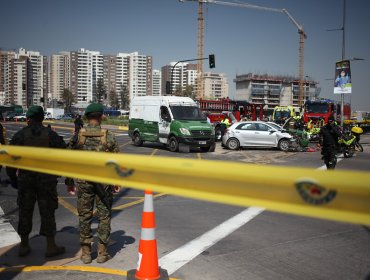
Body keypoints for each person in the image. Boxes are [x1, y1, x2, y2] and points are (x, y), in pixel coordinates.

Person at [6, 105, 66, 257]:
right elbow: (64, 153)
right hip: (46, 180)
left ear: (28, 119)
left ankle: (24, 245)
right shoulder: (50, 135)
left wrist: (13, 178)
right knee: (48, 212)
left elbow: (10, 159)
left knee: (25, 212)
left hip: (26, 180)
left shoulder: (20, 135)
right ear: (42, 118)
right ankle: (51, 246)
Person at [65, 103, 119, 264]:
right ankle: (102, 253)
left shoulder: (77, 136)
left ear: (87, 117)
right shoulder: (108, 135)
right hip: (104, 182)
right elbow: (117, 161)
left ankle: (86, 253)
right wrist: (117, 181)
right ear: (101, 116)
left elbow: (67, 159)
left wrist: (69, 181)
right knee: (104, 216)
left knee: (85, 215)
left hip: (84, 181)